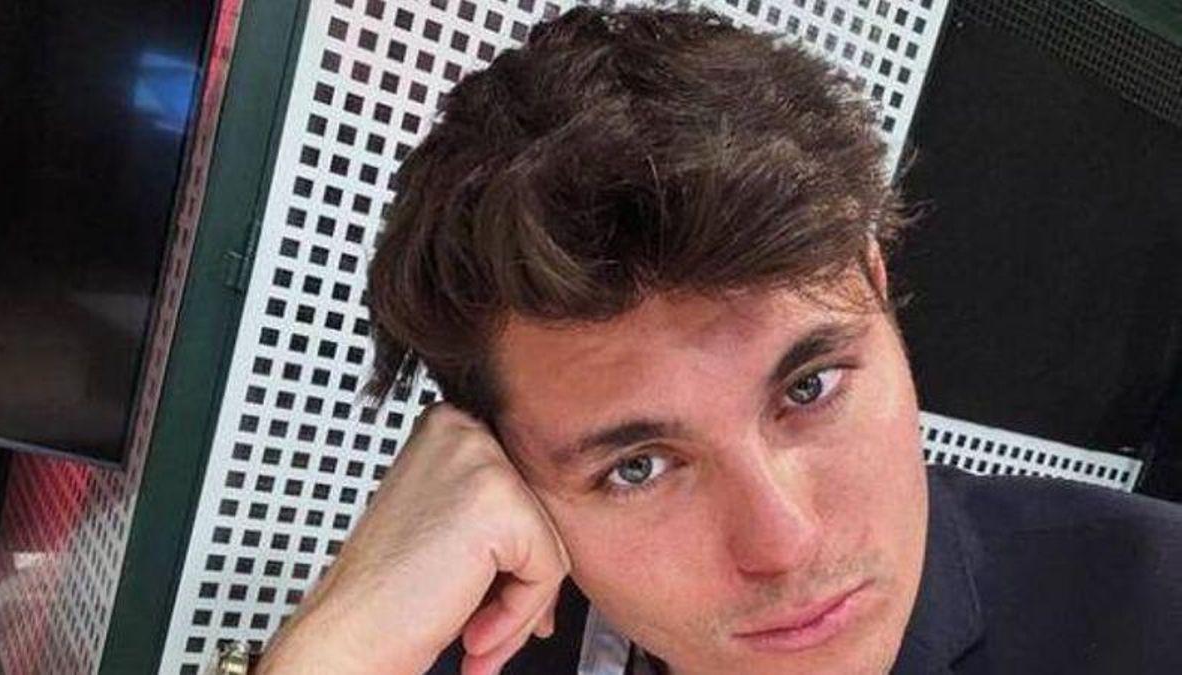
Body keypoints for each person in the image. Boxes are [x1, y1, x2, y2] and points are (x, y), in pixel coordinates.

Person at [253, 6, 1182, 674]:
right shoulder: (472, 649)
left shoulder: (1153, 605)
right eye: (638, 467)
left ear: (877, 289)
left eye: (810, 387)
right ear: (508, 466)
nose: (783, 542)